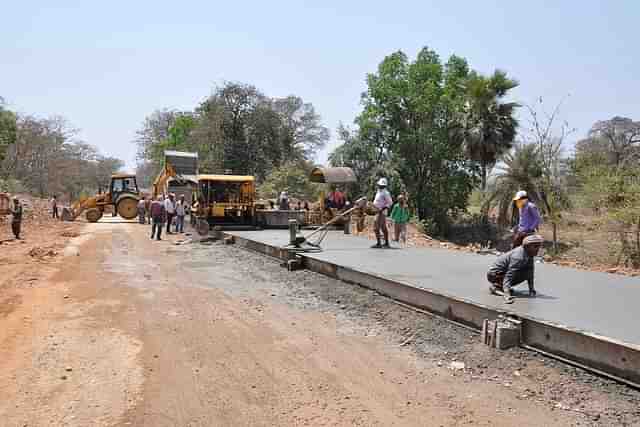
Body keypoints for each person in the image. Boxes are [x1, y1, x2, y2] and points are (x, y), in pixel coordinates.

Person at [487, 234, 544, 304]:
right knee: (519, 273)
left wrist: (531, 289)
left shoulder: (529, 254)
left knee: (527, 272)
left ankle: (502, 287)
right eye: (535, 247)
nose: (538, 249)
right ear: (527, 247)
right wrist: (507, 294)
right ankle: (496, 287)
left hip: (503, 273)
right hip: (494, 275)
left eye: (539, 247)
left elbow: (530, 271)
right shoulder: (518, 257)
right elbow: (509, 275)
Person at [372, 177, 393, 249]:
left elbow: (390, 202)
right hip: (376, 211)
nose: (380, 186)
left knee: (376, 228)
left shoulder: (386, 193)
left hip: (381, 212)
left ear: (384, 186)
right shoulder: (379, 191)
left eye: (381, 185)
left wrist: (382, 209)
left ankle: (379, 243)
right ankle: (385, 243)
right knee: (383, 227)